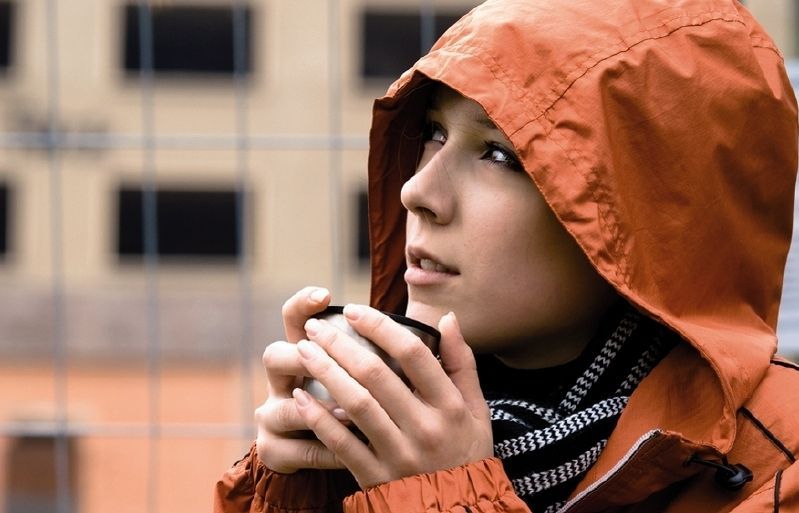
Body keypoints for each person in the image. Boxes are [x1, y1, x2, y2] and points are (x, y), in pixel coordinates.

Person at [214, 0, 799, 511]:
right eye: (434, 132)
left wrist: (442, 496)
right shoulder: (387, 422)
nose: (416, 190)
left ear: (650, 219)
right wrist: (305, 489)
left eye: (499, 154)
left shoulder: (783, 465)